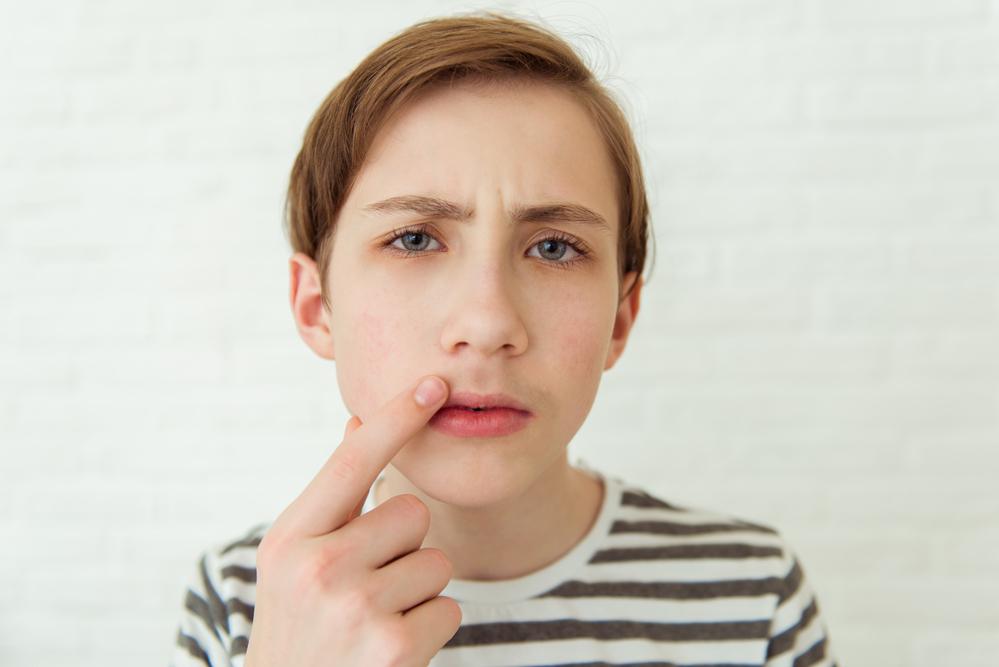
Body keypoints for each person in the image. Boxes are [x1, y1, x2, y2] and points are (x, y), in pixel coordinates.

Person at [169, 10, 838, 667]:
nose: (488, 323)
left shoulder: (752, 594)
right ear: (317, 307)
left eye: (553, 246)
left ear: (619, 317)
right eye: (413, 238)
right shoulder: (247, 602)